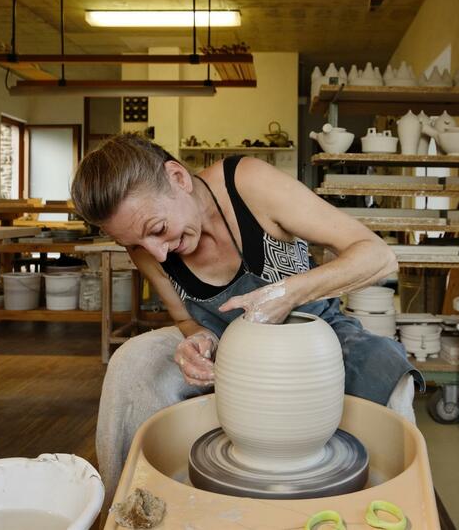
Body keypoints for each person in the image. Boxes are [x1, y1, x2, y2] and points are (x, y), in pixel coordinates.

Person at [70, 133, 423, 503]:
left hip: (313, 332)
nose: (157, 253)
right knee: (132, 362)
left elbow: (378, 256)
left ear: (178, 178)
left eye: (157, 230)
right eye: (136, 245)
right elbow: (186, 321)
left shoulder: (249, 184)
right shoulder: (147, 246)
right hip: (225, 344)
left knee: (393, 379)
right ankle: (128, 509)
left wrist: (287, 294)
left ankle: (400, 506)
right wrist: (195, 340)